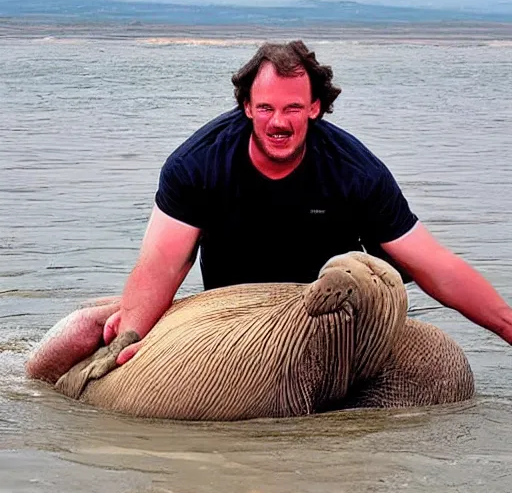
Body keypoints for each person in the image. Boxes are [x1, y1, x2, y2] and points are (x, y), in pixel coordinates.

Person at [104, 40, 512, 364]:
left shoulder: (356, 171)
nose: (278, 122)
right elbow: (163, 262)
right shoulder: (197, 164)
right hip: (235, 319)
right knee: (106, 325)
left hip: (329, 318)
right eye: (265, 108)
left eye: (293, 108)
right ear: (246, 107)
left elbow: (435, 266)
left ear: (315, 108)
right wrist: (135, 336)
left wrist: (508, 327)